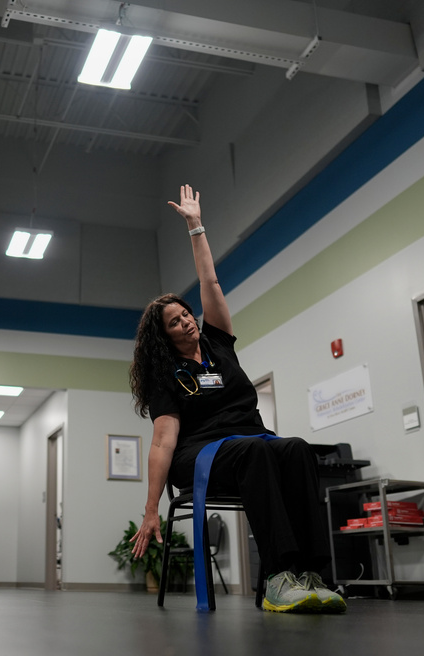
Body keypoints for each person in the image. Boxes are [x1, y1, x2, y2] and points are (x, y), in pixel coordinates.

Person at [127, 184, 345, 614]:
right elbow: (162, 442)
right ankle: (278, 577)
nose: (187, 321)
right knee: (255, 454)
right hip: (200, 454)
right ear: (163, 336)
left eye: (186, 313)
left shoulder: (218, 344)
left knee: (298, 450)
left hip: (249, 441)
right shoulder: (166, 376)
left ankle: (312, 574)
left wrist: (196, 226)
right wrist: (151, 507)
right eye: (175, 322)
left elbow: (209, 279)